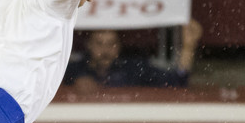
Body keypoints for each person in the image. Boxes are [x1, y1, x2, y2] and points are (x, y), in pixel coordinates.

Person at [63, 22, 199, 91]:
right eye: (99, 43)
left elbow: (176, 81)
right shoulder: (72, 70)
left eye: (111, 44)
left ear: (119, 46)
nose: (105, 50)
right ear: (89, 45)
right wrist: (74, 86)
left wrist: (188, 47)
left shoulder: (134, 69)